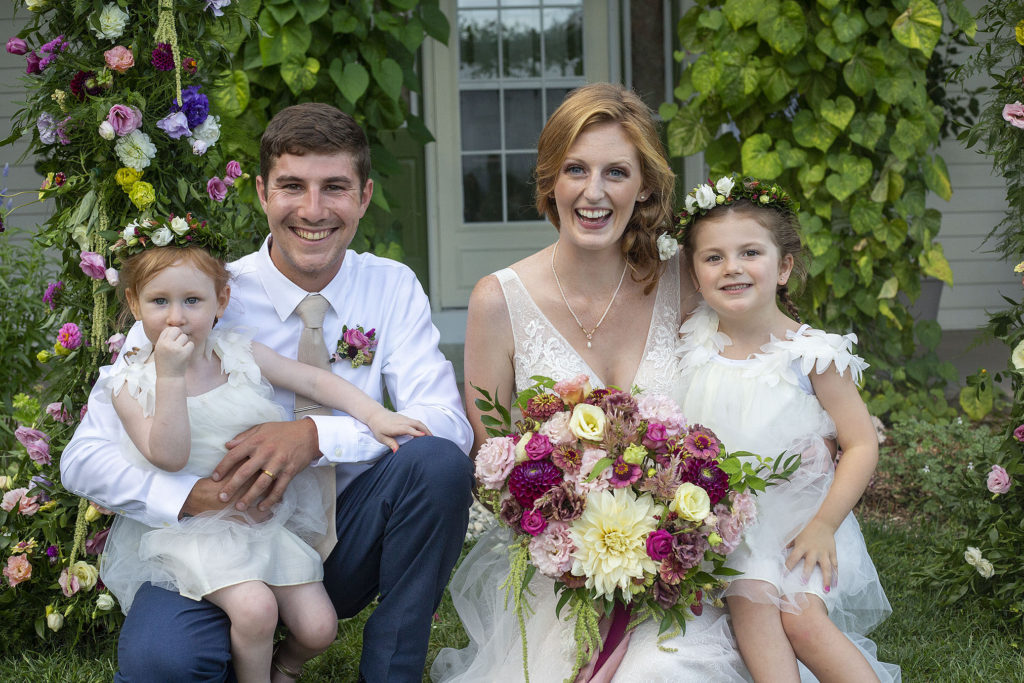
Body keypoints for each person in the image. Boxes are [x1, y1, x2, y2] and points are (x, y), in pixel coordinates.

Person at [61, 103, 475, 683]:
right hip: (215, 542)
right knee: (164, 666)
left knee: (437, 464)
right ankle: (231, 649)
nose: (313, 210)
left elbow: (444, 425)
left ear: (363, 196)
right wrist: (190, 498)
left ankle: (389, 672)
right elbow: (84, 459)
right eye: (291, 186)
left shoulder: (391, 285)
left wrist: (314, 437)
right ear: (261, 192)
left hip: (345, 536)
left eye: (334, 187)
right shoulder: (192, 297)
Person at [431, 83, 751, 682]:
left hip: (680, 567)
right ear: (551, 179)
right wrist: (590, 565)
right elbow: (494, 467)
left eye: (616, 172)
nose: (594, 192)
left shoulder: (686, 283)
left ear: (646, 186)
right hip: (561, 576)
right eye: (575, 169)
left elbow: (757, 353)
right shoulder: (498, 301)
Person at [99, 219, 431, 682]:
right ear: (135, 304)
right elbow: (168, 456)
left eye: (192, 300)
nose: (177, 317)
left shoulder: (237, 352)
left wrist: (376, 416)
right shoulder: (130, 384)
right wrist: (170, 377)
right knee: (254, 609)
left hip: (262, 523)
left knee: (319, 628)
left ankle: (286, 667)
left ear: (221, 302)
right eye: (160, 302)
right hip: (195, 532)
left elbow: (314, 380)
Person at [672, 175, 900, 681]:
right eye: (713, 258)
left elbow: (860, 444)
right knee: (754, 615)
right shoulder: (694, 344)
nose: (732, 268)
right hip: (734, 532)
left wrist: (824, 525)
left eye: (750, 252)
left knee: (803, 625)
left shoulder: (812, 356)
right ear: (694, 271)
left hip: (803, 523)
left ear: (785, 267)